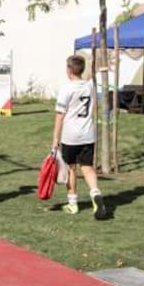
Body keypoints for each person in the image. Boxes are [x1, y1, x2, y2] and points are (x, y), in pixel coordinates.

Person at [53, 55, 106, 220]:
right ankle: (95, 193)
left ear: (69, 70)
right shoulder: (90, 86)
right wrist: (98, 68)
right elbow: (91, 76)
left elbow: (60, 115)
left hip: (70, 135)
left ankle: (72, 203)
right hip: (88, 134)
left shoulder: (66, 89)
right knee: (88, 167)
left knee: (71, 168)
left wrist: (55, 138)